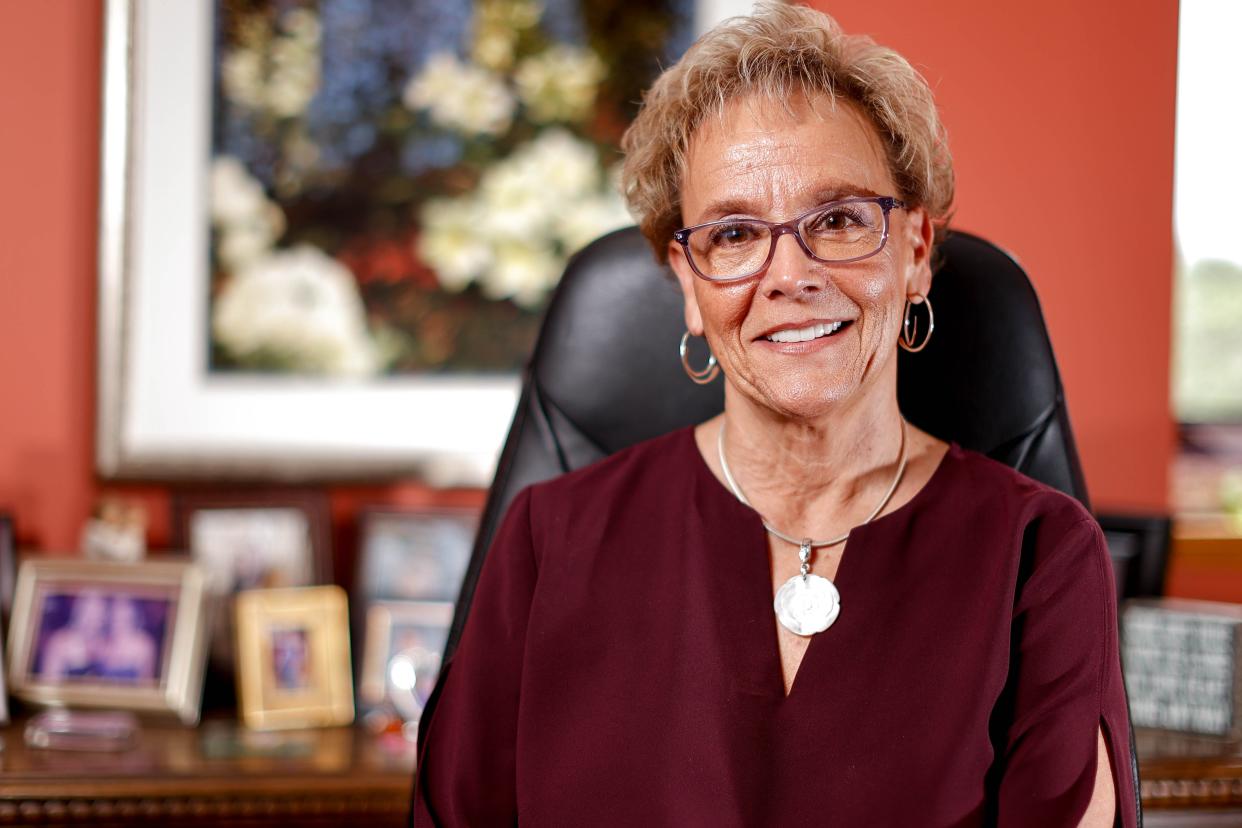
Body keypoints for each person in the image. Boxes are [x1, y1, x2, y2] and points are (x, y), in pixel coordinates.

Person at [413, 5, 1137, 826]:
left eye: (837, 220)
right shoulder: (548, 541)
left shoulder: (1040, 554)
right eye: (733, 234)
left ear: (915, 252)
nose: (789, 273)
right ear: (688, 284)